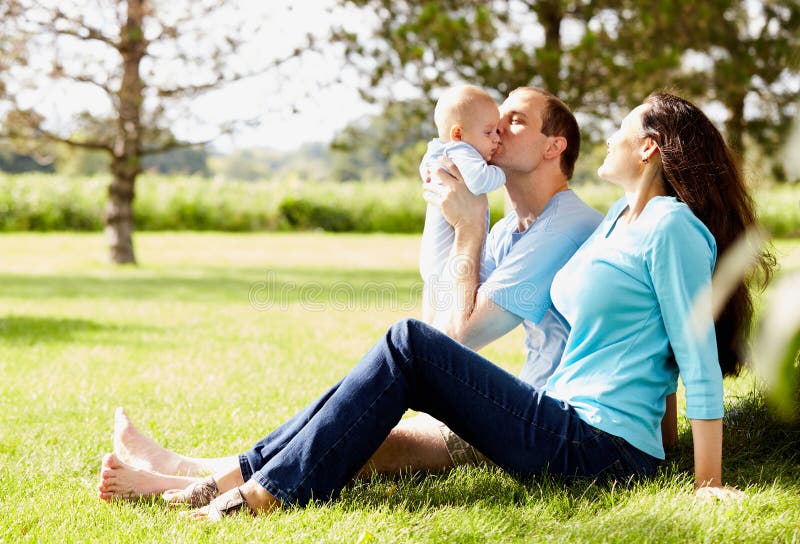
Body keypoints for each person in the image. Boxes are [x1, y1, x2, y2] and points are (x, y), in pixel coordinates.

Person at [98, 86, 605, 498]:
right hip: (533, 403)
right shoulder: (512, 229)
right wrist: (452, 219)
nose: (495, 123)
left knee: (387, 388)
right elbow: (440, 318)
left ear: (552, 146)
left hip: (556, 421)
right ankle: (189, 473)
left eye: (514, 119)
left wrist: (468, 230)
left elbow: (461, 337)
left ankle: (210, 486)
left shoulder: (567, 224)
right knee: (372, 440)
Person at [417, 84, 505, 298]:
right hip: (448, 257)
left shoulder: (441, 151)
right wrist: (505, 171)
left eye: (497, 131)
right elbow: (479, 181)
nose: (496, 138)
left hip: (437, 255)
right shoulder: (461, 150)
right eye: (488, 132)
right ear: (457, 133)